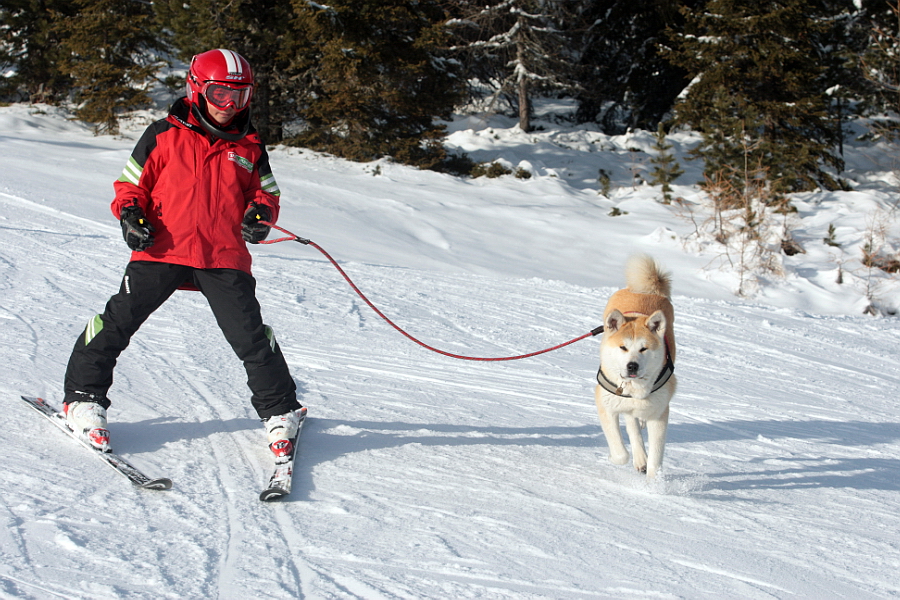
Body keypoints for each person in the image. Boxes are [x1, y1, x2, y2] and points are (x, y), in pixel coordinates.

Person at [62, 48, 303, 462]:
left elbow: (266, 192)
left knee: (250, 338)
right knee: (120, 320)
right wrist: (131, 215)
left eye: (240, 97)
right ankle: (82, 399)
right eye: (220, 94)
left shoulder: (249, 145)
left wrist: (260, 213)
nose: (230, 107)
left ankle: (281, 412)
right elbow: (129, 186)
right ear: (196, 88)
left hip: (222, 254)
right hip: (162, 247)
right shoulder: (162, 135)